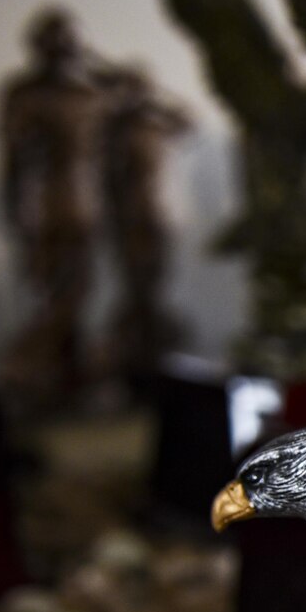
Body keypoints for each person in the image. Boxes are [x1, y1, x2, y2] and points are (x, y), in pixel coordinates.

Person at [0, 7, 105, 402]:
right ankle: (36, 366)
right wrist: (15, 212)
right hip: (46, 203)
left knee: (79, 290)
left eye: (71, 43)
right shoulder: (25, 95)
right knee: (50, 291)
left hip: (85, 202)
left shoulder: (89, 92)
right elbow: (14, 163)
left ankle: (68, 372)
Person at [100, 63, 192, 386]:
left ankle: (155, 351)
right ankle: (135, 355)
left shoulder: (155, 121)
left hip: (159, 214)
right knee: (137, 284)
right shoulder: (115, 129)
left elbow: (187, 118)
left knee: (156, 282)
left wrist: (155, 96)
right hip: (131, 217)